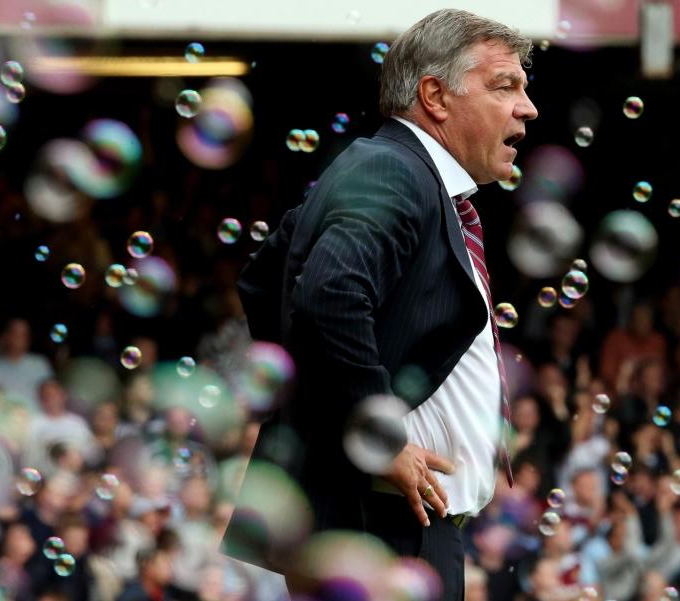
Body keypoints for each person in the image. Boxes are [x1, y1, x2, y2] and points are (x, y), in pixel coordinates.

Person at [220, 8, 537, 600]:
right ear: (435, 96)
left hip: (396, 524)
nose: (527, 107)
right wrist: (373, 431)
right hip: (380, 527)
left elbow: (266, 281)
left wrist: (314, 398)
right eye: (505, 86)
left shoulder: (399, 171)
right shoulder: (395, 170)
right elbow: (328, 295)